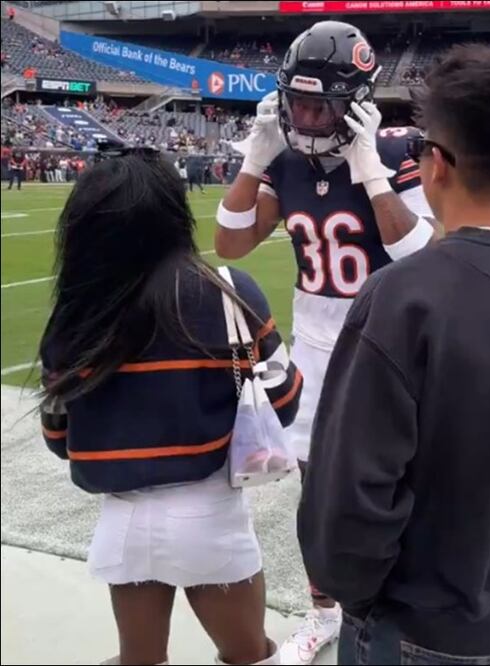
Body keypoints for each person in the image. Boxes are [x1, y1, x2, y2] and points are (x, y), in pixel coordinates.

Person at [297, 44, 490, 665]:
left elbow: (350, 497)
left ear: (435, 164)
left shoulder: (403, 296)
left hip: (419, 626)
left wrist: (354, 593)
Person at [214, 20, 438, 665]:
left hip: (392, 340)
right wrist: (255, 160)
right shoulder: (282, 155)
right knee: (319, 491)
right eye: (297, 101)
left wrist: (371, 173)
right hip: (315, 342)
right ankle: (323, 610)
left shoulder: (396, 151)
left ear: (358, 102)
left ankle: (403, 595)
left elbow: (421, 254)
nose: (306, 116)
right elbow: (231, 243)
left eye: (321, 103)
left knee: (407, 475)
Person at [36, 148, 303, 666]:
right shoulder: (227, 291)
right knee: (252, 656)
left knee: (138, 660)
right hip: (211, 515)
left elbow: (58, 441)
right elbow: (285, 403)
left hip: (123, 522)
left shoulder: (74, 317)